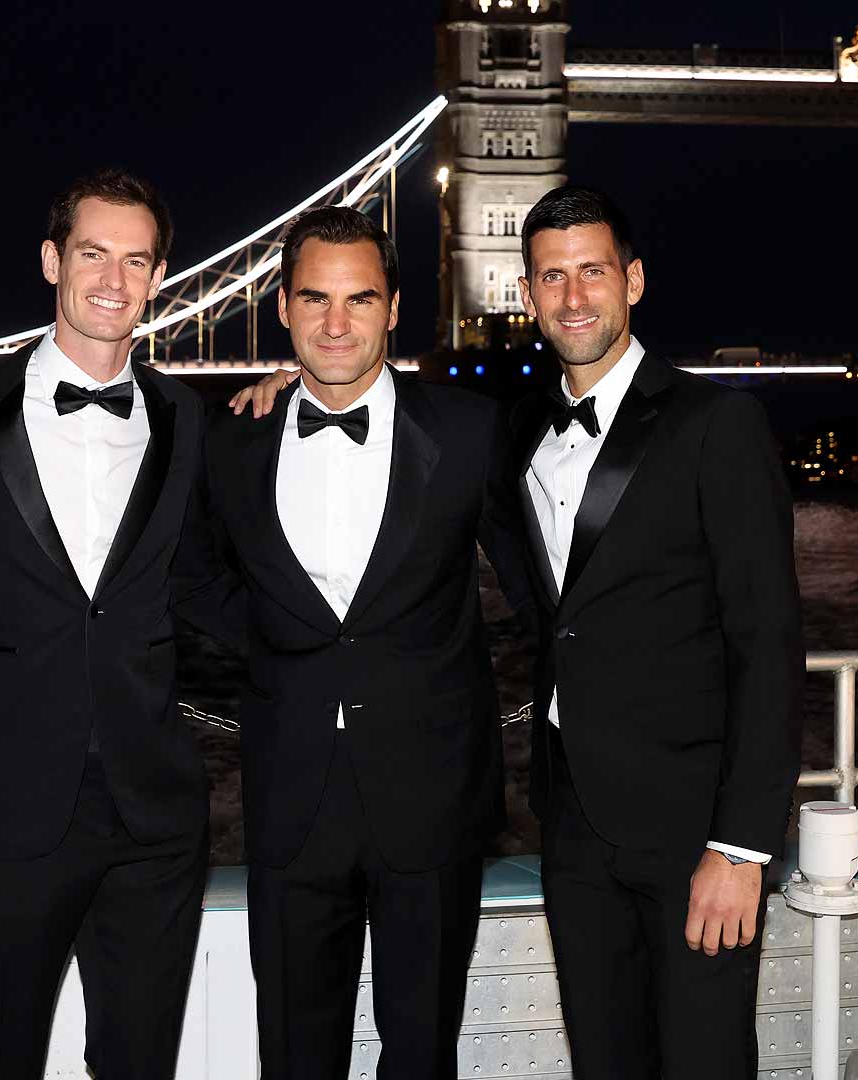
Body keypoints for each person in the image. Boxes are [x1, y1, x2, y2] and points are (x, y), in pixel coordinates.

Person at [182, 206, 534, 1079]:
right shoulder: (230, 438)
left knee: (420, 1056)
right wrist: (277, 639)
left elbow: (541, 592)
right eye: (315, 300)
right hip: (290, 802)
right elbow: (190, 577)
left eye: (359, 299)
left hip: (433, 801)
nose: (336, 323)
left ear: (394, 308)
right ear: (284, 312)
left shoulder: (468, 431)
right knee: (297, 1058)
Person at [512, 184, 805, 1076]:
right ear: (527, 296)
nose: (573, 297)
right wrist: (285, 385)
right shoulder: (514, 434)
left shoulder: (716, 423)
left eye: (592, 272)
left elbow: (769, 644)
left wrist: (741, 846)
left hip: (693, 834)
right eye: (551, 277)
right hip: (571, 824)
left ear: (633, 281)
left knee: (704, 1063)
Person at [0, 169, 213, 1079]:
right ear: (53, 260)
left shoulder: (195, 419)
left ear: (161, 276)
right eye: (94, 253)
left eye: (138, 261)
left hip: (156, 816)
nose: (114, 280)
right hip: (7, 809)